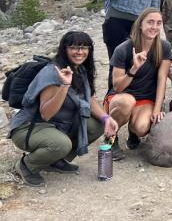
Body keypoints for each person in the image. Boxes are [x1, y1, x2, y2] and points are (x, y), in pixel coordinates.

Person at [9, 31, 119, 188]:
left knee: (97, 125)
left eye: (84, 48)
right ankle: (26, 166)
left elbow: (88, 98)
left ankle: (54, 161)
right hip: (29, 127)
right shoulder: (52, 73)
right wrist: (64, 85)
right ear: (64, 49)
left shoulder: (80, 69)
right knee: (61, 144)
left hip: (55, 125)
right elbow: (46, 114)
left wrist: (106, 118)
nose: (79, 52)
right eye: (74, 47)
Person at [104, 8, 172, 160]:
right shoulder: (124, 49)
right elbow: (117, 87)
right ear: (140, 25)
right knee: (127, 102)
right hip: (121, 97)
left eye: (158, 23)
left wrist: (156, 109)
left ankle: (133, 131)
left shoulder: (164, 47)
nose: (154, 27)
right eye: (150, 22)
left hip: (145, 99)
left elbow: (162, 81)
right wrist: (134, 69)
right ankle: (110, 138)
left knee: (142, 128)